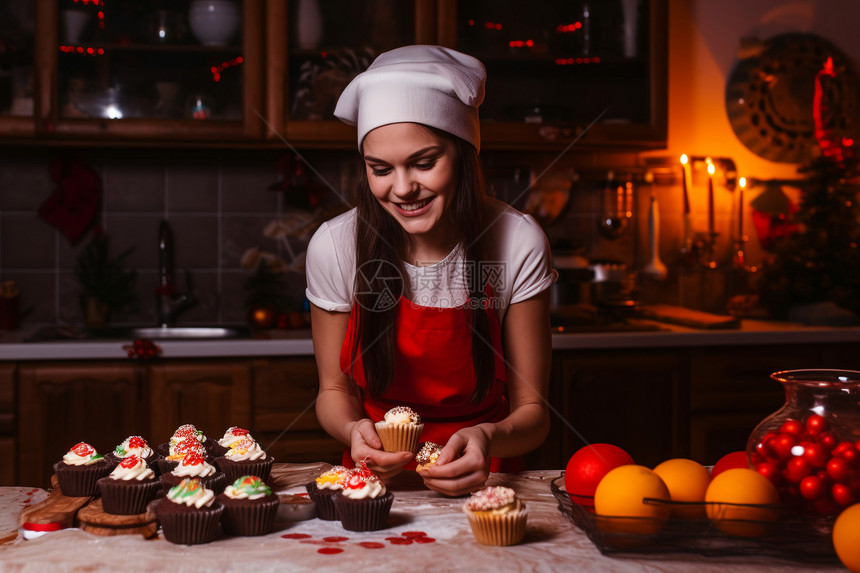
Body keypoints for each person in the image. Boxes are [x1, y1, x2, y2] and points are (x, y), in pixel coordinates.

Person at [305, 45, 556, 497]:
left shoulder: (516, 241)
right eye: (380, 169)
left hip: (487, 478)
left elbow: (533, 411)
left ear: (463, 154)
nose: (402, 189)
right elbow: (331, 391)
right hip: (375, 483)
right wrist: (351, 431)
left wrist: (490, 436)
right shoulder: (336, 246)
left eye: (424, 163)